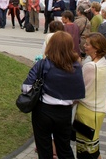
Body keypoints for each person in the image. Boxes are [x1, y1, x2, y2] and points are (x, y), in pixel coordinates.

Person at [22, 31, 85, 159]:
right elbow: (78, 94)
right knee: (64, 148)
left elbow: (26, 88)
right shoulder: (76, 67)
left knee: (44, 149)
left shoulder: (43, 64)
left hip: (43, 111)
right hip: (65, 112)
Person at [75, 33, 106, 159]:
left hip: (87, 112)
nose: (84, 46)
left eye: (87, 44)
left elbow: (79, 89)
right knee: (93, 149)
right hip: (99, 110)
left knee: (86, 151)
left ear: (96, 47)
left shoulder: (91, 66)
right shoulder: (103, 63)